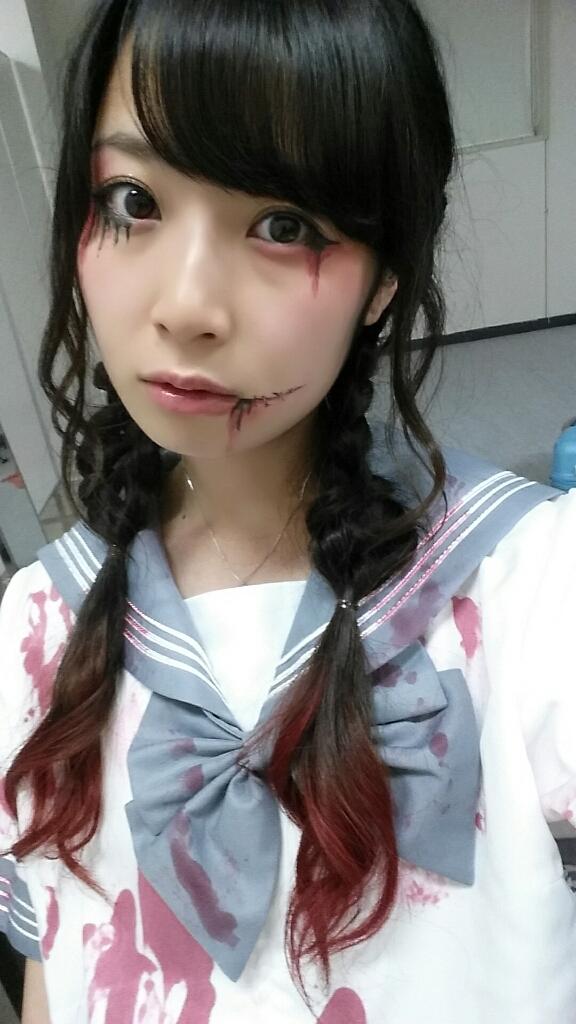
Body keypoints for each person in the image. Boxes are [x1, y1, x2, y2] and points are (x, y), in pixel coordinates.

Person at [0, 0, 575, 1020]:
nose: (186, 305)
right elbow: (54, 957)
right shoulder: (37, 627)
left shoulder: (527, 584)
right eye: (133, 201)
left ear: (385, 276)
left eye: (283, 226)